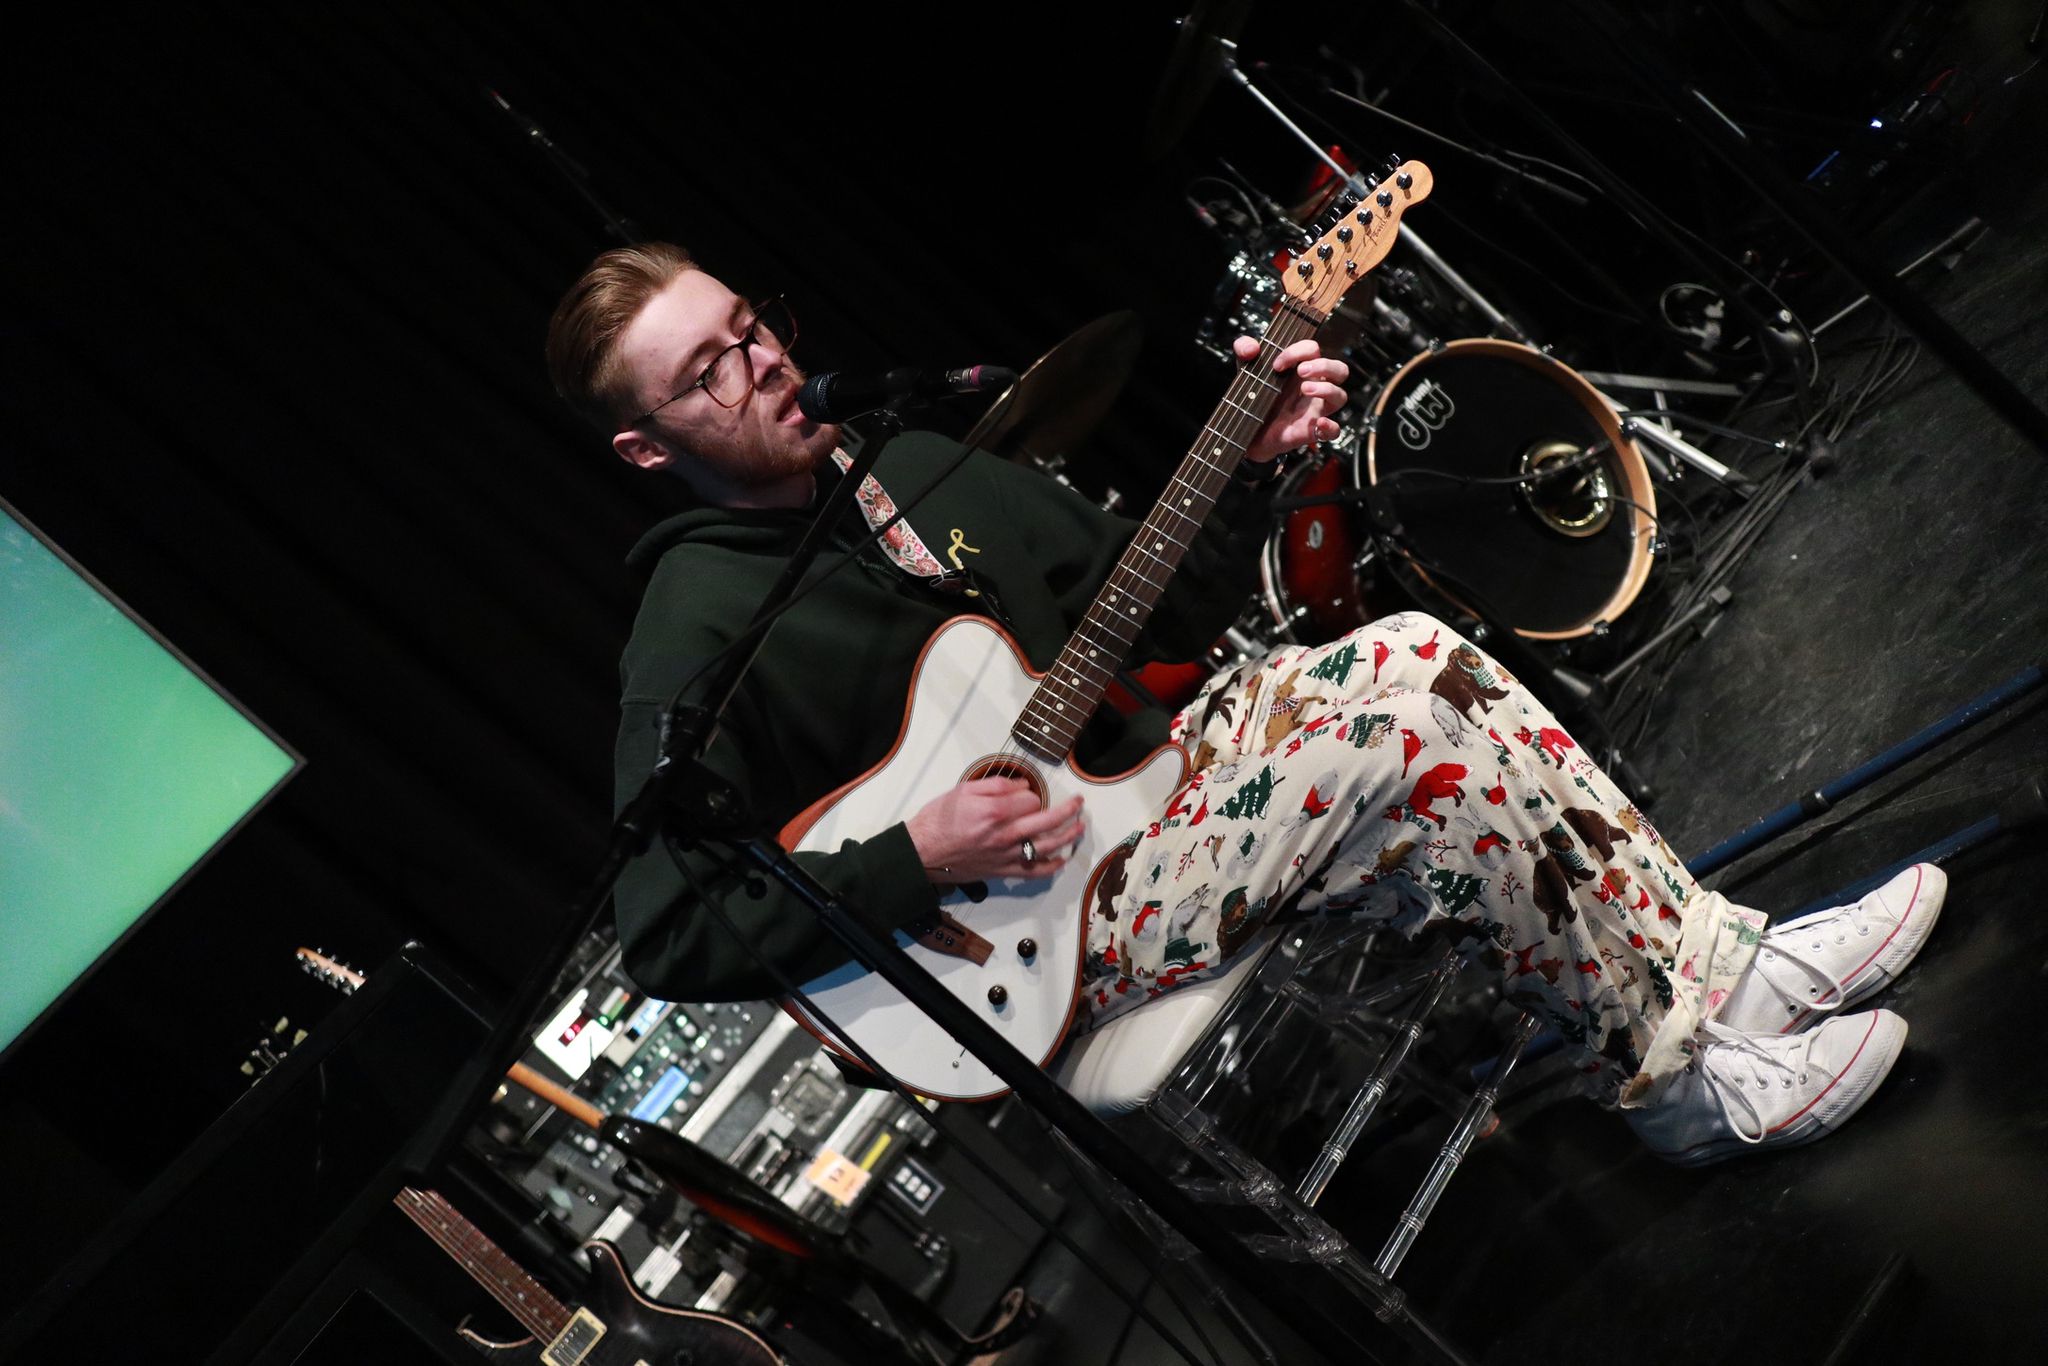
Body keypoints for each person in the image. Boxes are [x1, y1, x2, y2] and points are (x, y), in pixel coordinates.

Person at [547, 242, 1944, 1167]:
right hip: (1038, 934)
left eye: (750, 327)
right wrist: (915, 855)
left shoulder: (911, 462)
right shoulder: (695, 625)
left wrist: (1256, 460)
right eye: (707, 372)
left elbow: (1151, 609)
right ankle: (1681, 1083)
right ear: (644, 447)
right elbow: (664, 925)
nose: (762, 364)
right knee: (1399, 728)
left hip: (1144, 794)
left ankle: (1729, 974)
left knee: (1415, 656)